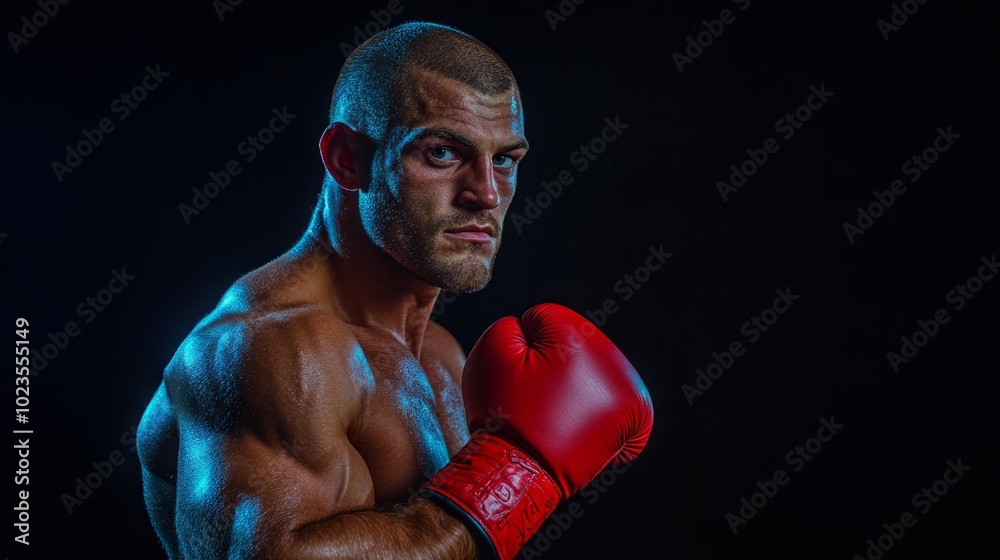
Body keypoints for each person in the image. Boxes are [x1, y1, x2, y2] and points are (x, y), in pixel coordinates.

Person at [137, 21, 653, 560]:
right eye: (442, 154)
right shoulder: (267, 351)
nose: (486, 193)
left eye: (503, 159)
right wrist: (511, 477)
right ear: (347, 159)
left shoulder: (444, 354)